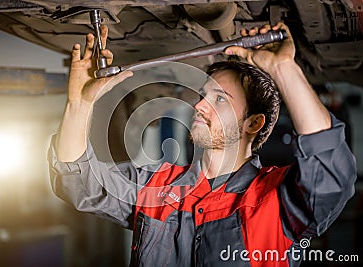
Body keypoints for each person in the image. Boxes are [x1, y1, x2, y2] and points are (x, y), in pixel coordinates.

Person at [48, 22, 356, 267]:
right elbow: (80, 184)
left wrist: (283, 68)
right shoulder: (157, 186)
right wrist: (81, 103)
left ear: (252, 124)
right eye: (203, 95)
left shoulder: (276, 200)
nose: (200, 106)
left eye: (220, 99)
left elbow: (329, 171)